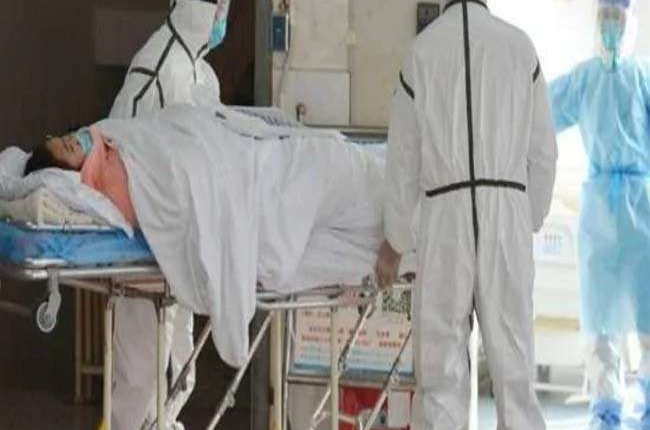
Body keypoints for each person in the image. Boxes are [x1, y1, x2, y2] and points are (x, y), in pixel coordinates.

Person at [374, 0, 557, 429]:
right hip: (506, 213)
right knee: (514, 368)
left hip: (445, 216)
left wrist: (395, 241)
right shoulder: (520, 47)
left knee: (441, 371)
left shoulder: (421, 52)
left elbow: (403, 159)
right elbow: (544, 151)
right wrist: (527, 217)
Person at [108, 0, 230, 428]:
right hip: (143, 242)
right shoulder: (157, 66)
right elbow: (119, 149)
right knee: (140, 377)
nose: (222, 18)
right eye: (218, 7)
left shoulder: (204, 76)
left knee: (182, 371)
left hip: (181, 245)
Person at [549, 0, 650, 428]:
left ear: (630, 22)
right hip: (599, 213)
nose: (611, 24)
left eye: (617, 16)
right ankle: (607, 407)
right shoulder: (585, 78)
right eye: (605, 15)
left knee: (647, 315)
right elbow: (540, 111)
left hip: (641, 209)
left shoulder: (642, 79)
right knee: (600, 318)